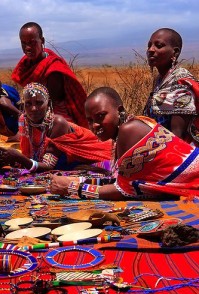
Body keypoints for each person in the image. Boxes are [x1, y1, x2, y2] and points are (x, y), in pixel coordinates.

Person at [50, 87, 199, 200]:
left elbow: (122, 190)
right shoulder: (124, 131)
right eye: (90, 120)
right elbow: (119, 180)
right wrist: (77, 180)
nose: (95, 125)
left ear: (119, 111)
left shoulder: (129, 130)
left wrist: (71, 187)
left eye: (101, 116)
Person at [0, 83, 112, 173]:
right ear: (23, 106)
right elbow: (30, 155)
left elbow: (48, 166)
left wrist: (18, 158)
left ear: (48, 104)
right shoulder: (23, 120)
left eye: (39, 103)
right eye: (28, 103)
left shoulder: (56, 124)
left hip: (98, 154)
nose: (33, 108)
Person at [11, 22, 88, 128]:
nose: (28, 47)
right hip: (36, 112)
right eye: (24, 43)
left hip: (58, 119)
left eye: (32, 43)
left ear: (42, 41)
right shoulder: (26, 63)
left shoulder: (53, 69)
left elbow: (50, 106)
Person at [143, 28, 199, 146]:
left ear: (175, 53)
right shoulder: (161, 79)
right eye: (149, 45)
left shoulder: (181, 82)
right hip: (160, 144)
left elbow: (177, 135)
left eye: (158, 46)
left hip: (179, 151)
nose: (151, 50)